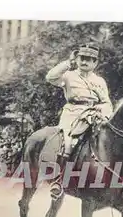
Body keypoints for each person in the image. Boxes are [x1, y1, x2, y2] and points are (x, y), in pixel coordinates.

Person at [45, 43, 113, 196]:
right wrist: (68, 63)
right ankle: (59, 180)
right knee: (69, 142)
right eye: (82, 58)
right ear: (77, 58)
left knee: (107, 141)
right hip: (73, 114)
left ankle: (108, 179)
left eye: (89, 59)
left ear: (95, 63)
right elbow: (50, 77)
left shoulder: (100, 81)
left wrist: (104, 114)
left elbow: (106, 102)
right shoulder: (69, 75)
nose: (85, 62)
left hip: (94, 114)